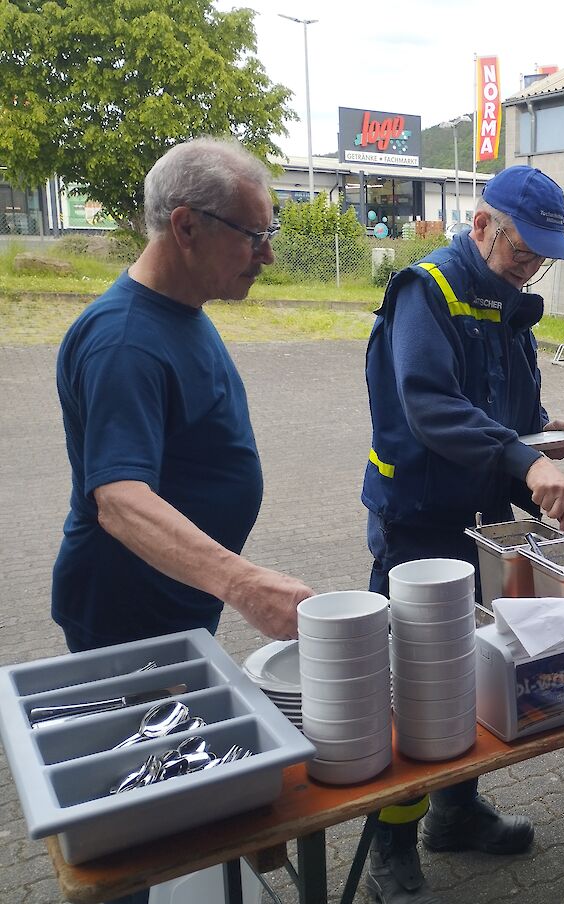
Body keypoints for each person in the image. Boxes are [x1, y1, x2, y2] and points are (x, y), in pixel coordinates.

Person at [52, 137, 314, 904]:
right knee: (128, 829)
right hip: (125, 624)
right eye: (254, 235)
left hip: (171, 612)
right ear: (186, 227)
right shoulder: (126, 341)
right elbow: (119, 499)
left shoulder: (183, 309)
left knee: (167, 805)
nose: (266, 255)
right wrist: (242, 583)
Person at [361, 164, 564, 903]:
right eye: (523, 251)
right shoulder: (427, 290)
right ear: (483, 224)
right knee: (414, 684)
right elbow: (431, 406)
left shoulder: (505, 298)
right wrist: (521, 460)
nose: (531, 268)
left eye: (542, 256)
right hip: (419, 519)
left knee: (480, 668)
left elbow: (504, 406)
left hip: (484, 518)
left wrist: (540, 435)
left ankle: (454, 812)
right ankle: (391, 840)